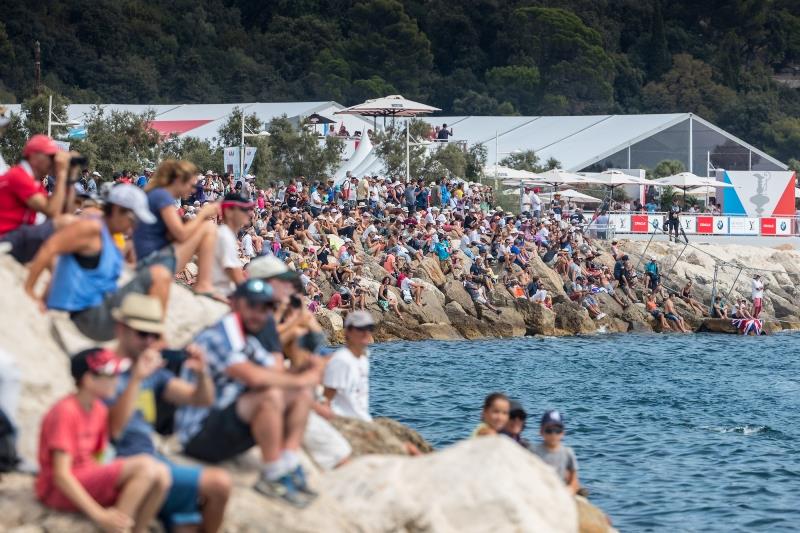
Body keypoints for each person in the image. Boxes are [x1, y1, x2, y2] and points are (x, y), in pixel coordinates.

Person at [175, 280, 323, 507]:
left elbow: (275, 373)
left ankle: (288, 464)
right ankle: (272, 475)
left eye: (266, 308)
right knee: (270, 395)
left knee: (301, 393)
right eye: (252, 305)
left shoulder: (247, 339)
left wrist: (305, 370)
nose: (259, 313)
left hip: (225, 425)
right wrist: (301, 377)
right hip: (198, 435)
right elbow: (252, 376)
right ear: (235, 304)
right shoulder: (220, 335)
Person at [106, 294, 231, 532]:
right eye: (142, 334)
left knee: (189, 521)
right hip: (128, 462)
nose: (149, 342)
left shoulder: (150, 371)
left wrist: (202, 373)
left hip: (151, 459)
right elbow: (115, 430)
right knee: (219, 484)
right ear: (121, 329)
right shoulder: (105, 370)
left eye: (154, 335)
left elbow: (201, 399)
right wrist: (136, 379)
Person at [37, 348, 170, 533]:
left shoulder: (99, 409)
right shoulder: (65, 411)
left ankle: (136, 529)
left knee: (162, 474)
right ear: (88, 379)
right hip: (57, 489)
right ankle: (115, 529)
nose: (116, 380)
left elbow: (99, 456)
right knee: (145, 466)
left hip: (87, 476)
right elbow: (61, 475)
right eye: (111, 375)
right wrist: (99, 515)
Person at [24, 185, 174, 342]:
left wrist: (47, 297)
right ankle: (159, 340)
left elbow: (67, 266)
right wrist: (30, 289)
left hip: (95, 312)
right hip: (89, 317)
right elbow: (50, 248)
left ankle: (154, 340)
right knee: (159, 274)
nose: (134, 227)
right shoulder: (92, 228)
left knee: (155, 281)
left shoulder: (108, 237)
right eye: (133, 220)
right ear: (117, 210)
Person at [133, 160, 221, 298]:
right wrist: (203, 213)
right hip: (152, 263)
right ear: (179, 180)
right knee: (208, 227)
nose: (193, 190)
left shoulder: (157, 194)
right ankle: (203, 285)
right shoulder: (162, 196)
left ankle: (205, 278)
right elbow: (181, 234)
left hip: (150, 259)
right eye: (192, 185)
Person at [0, 135, 73, 263]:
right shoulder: (18, 175)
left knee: (69, 222)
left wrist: (70, 177)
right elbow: (52, 211)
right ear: (33, 156)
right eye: (50, 156)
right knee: (65, 223)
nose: (53, 161)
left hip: (17, 235)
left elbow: (63, 210)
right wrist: (61, 174)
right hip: (6, 238)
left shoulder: (33, 181)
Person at [322, 311, 374, 421]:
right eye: (360, 328)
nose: (366, 332)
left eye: (369, 328)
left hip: (362, 420)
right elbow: (327, 400)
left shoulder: (363, 359)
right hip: (348, 422)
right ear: (348, 332)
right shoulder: (342, 360)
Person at [210, 192, 254, 297]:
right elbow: (238, 280)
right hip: (221, 297)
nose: (250, 213)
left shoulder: (226, 234)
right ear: (229, 211)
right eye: (244, 209)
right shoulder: (225, 236)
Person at [531, 410, 580, 495]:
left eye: (557, 430)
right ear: (541, 431)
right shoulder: (534, 451)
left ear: (563, 432)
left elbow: (574, 480)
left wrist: (569, 491)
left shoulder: (567, 453)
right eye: (549, 430)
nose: (553, 434)